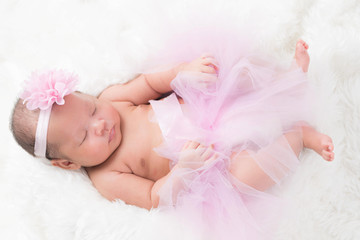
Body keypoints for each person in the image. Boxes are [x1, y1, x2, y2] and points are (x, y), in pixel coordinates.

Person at [11, 39, 334, 239]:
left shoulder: (114, 99)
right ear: (67, 163)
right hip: (210, 161)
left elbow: (152, 83)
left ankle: (287, 80)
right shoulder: (106, 177)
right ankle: (297, 136)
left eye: (93, 109)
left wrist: (182, 73)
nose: (99, 124)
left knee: (227, 75)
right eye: (83, 136)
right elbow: (154, 197)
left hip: (207, 106)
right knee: (245, 179)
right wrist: (184, 170)